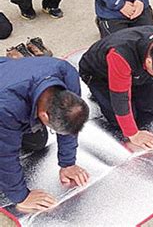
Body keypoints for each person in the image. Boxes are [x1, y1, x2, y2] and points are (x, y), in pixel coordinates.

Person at [78, 25, 153, 150]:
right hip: (99, 74)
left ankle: (133, 86)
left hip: (137, 70)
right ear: (149, 62)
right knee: (119, 121)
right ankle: (98, 94)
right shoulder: (121, 55)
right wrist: (133, 134)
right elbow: (119, 99)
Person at [0, 57, 89, 212]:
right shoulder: (7, 106)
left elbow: (70, 118)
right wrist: (21, 196)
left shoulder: (66, 74)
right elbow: (4, 155)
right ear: (44, 116)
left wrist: (68, 163)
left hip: (11, 80)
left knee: (37, 143)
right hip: (5, 94)